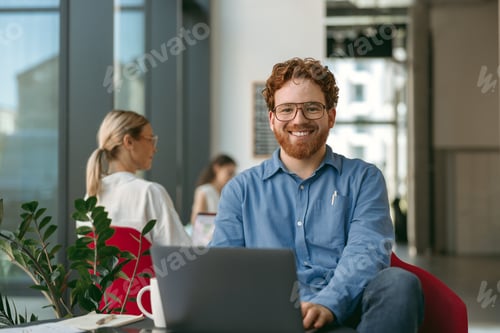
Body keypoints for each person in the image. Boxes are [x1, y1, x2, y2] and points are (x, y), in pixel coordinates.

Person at [210, 58, 424, 332]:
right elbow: (226, 270)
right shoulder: (240, 191)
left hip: (347, 314)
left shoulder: (363, 179)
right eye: (286, 109)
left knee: (399, 282)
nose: (299, 119)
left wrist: (327, 304)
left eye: (312, 108)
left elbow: (368, 251)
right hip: (270, 321)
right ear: (272, 119)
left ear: (331, 116)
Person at [83, 109, 191, 246]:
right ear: (128, 142)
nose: (154, 148)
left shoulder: (90, 197)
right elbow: (182, 254)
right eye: (150, 139)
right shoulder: (150, 193)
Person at [190, 154, 237, 225]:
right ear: (217, 168)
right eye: (229, 173)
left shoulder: (227, 193)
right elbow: (196, 220)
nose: (232, 178)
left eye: (233, 174)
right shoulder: (204, 191)